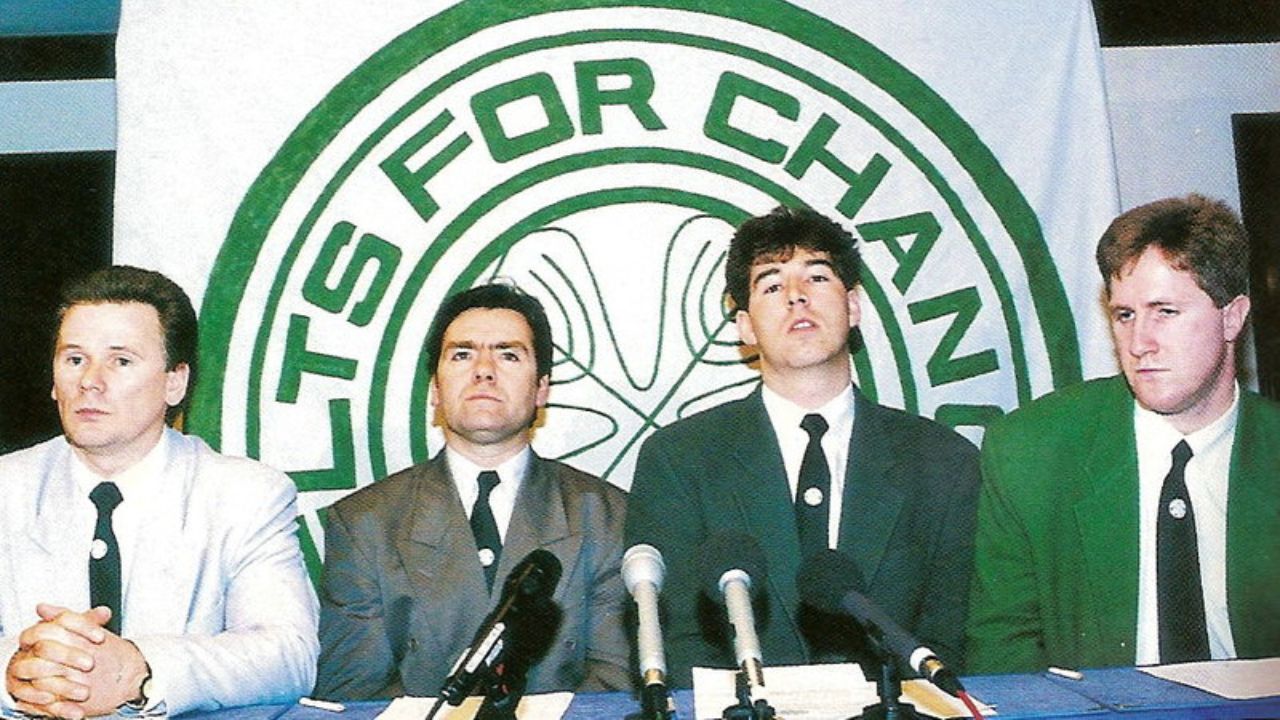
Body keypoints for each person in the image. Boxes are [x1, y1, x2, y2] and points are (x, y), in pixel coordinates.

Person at [625, 206, 981, 687]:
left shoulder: (942, 460)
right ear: (746, 326)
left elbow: (951, 635)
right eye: (772, 285)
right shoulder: (679, 459)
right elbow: (677, 640)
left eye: (816, 277)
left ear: (852, 307)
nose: (796, 296)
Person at [967, 194, 1280, 674]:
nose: (1139, 344)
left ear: (1232, 317)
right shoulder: (1031, 451)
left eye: (1165, 312)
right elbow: (1001, 656)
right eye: (1125, 315)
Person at [0, 265, 319, 718]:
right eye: (74, 359)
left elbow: (288, 654)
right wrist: (16, 672)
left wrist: (137, 669)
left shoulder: (245, 495)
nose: (90, 381)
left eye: (121, 361)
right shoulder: (7, 487)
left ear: (175, 382)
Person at [314, 282, 630, 699]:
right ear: (435, 388)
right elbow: (353, 691)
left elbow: (614, 686)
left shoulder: (607, 515)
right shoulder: (363, 524)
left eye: (508, 355)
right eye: (462, 354)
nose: (484, 370)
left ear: (542, 389)